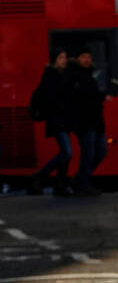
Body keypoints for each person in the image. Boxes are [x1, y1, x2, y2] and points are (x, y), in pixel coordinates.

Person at [27, 47, 74, 196]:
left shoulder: (60, 75)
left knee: (64, 153)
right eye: (61, 58)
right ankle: (39, 176)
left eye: (65, 57)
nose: (64, 60)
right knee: (66, 153)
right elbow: (52, 100)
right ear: (55, 61)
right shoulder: (51, 77)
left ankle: (60, 184)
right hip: (57, 120)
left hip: (62, 119)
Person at [67, 46, 106, 195]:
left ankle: (80, 180)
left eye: (89, 56)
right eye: (84, 56)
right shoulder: (73, 74)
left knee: (101, 151)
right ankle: (83, 183)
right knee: (88, 154)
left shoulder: (90, 74)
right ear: (77, 59)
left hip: (96, 120)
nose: (87, 59)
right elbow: (82, 96)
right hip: (83, 121)